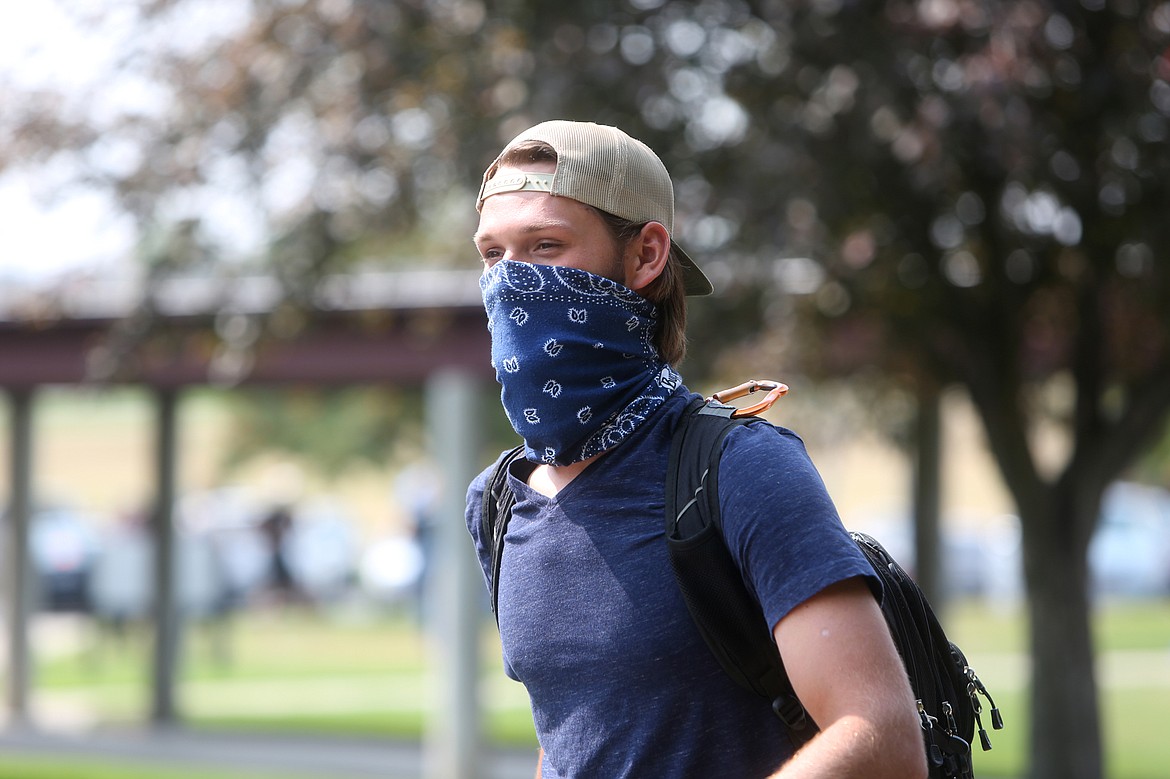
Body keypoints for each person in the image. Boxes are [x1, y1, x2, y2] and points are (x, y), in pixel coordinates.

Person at [464, 120, 927, 779]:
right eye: (492, 254)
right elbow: (575, 735)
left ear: (647, 255)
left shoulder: (742, 467)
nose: (511, 282)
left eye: (545, 245)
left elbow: (880, 736)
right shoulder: (499, 503)